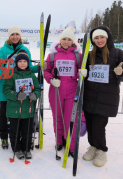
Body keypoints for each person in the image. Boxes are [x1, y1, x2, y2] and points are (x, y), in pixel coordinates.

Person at [82, 26, 123, 167]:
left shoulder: (117, 53)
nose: (99, 40)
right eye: (96, 38)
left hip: (106, 97)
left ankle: (102, 150)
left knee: (99, 126)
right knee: (90, 125)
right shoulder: (89, 54)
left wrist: (120, 72)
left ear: (107, 37)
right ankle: (93, 147)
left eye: (102, 37)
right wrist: (83, 74)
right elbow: (84, 73)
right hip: (89, 95)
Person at [0, 26, 39, 149]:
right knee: (4, 114)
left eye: (17, 34)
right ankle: (4, 137)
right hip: (7, 87)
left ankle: (21, 138)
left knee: (21, 114)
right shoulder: (3, 50)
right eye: (12, 34)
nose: (15, 37)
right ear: (9, 36)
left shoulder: (25, 49)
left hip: (23, 88)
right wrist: (9, 73)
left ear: (20, 36)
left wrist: (39, 68)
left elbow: (29, 68)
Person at [44, 26, 84, 157]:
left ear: (73, 41)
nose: (66, 42)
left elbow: (81, 71)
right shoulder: (52, 55)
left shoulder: (78, 55)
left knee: (70, 119)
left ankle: (71, 146)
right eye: (64, 39)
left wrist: (82, 73)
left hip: (72, 91)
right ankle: (59, 141)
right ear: (60, 40)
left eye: (69, 39)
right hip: (56, 90)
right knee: (58, 118)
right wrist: (51, 79)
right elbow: (46, 71)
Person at [3, 50, 40, 159]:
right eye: (20, 61)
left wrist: (35, 95)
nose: (22, 63)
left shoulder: (32, 75)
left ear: (28, 63)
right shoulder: (12, 75)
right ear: (16, 63)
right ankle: (17, 149)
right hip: (14, 110)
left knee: (27, 131)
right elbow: (6, 90)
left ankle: (26, 148)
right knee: (15, 131)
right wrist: (16, 96)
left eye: (25, 61)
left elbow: (37, 88)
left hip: (27, 110)